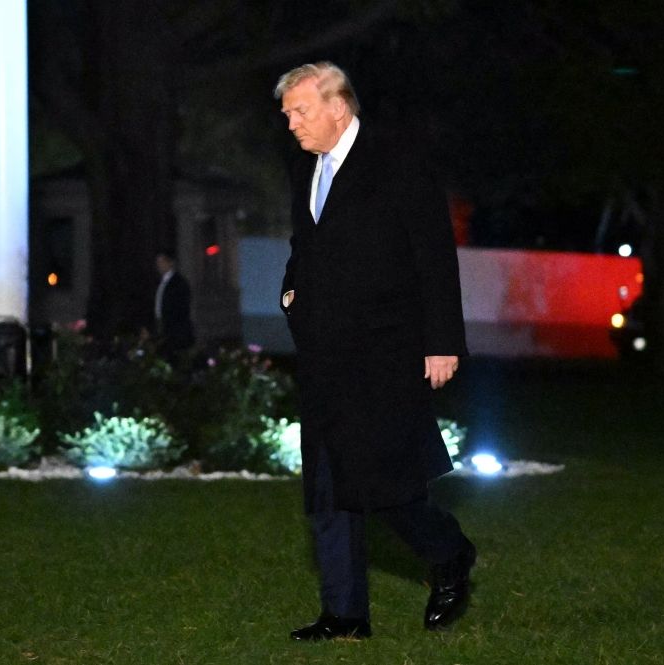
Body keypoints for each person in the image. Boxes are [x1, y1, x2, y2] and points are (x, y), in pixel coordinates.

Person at [275, 62, 476, 640]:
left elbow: (434, 255)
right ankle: (344, 616)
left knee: (384, 485)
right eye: (287, 114)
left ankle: (449, 554)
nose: (291, 124)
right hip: (323, 354)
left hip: (386, 351)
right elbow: (306, 245)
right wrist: (291, 292)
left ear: (338, 107)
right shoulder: (306, 167)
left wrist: (442, 343)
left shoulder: (398, 162)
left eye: (300, 111)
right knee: (327, 488)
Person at [153, 250, 195, 360]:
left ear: (170, 263)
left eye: (162, 262)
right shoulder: (160, 282)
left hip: (175, 330)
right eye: (158, 262)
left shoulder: (179, 283)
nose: (159, 265)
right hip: (163, 326)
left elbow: (181, 309)